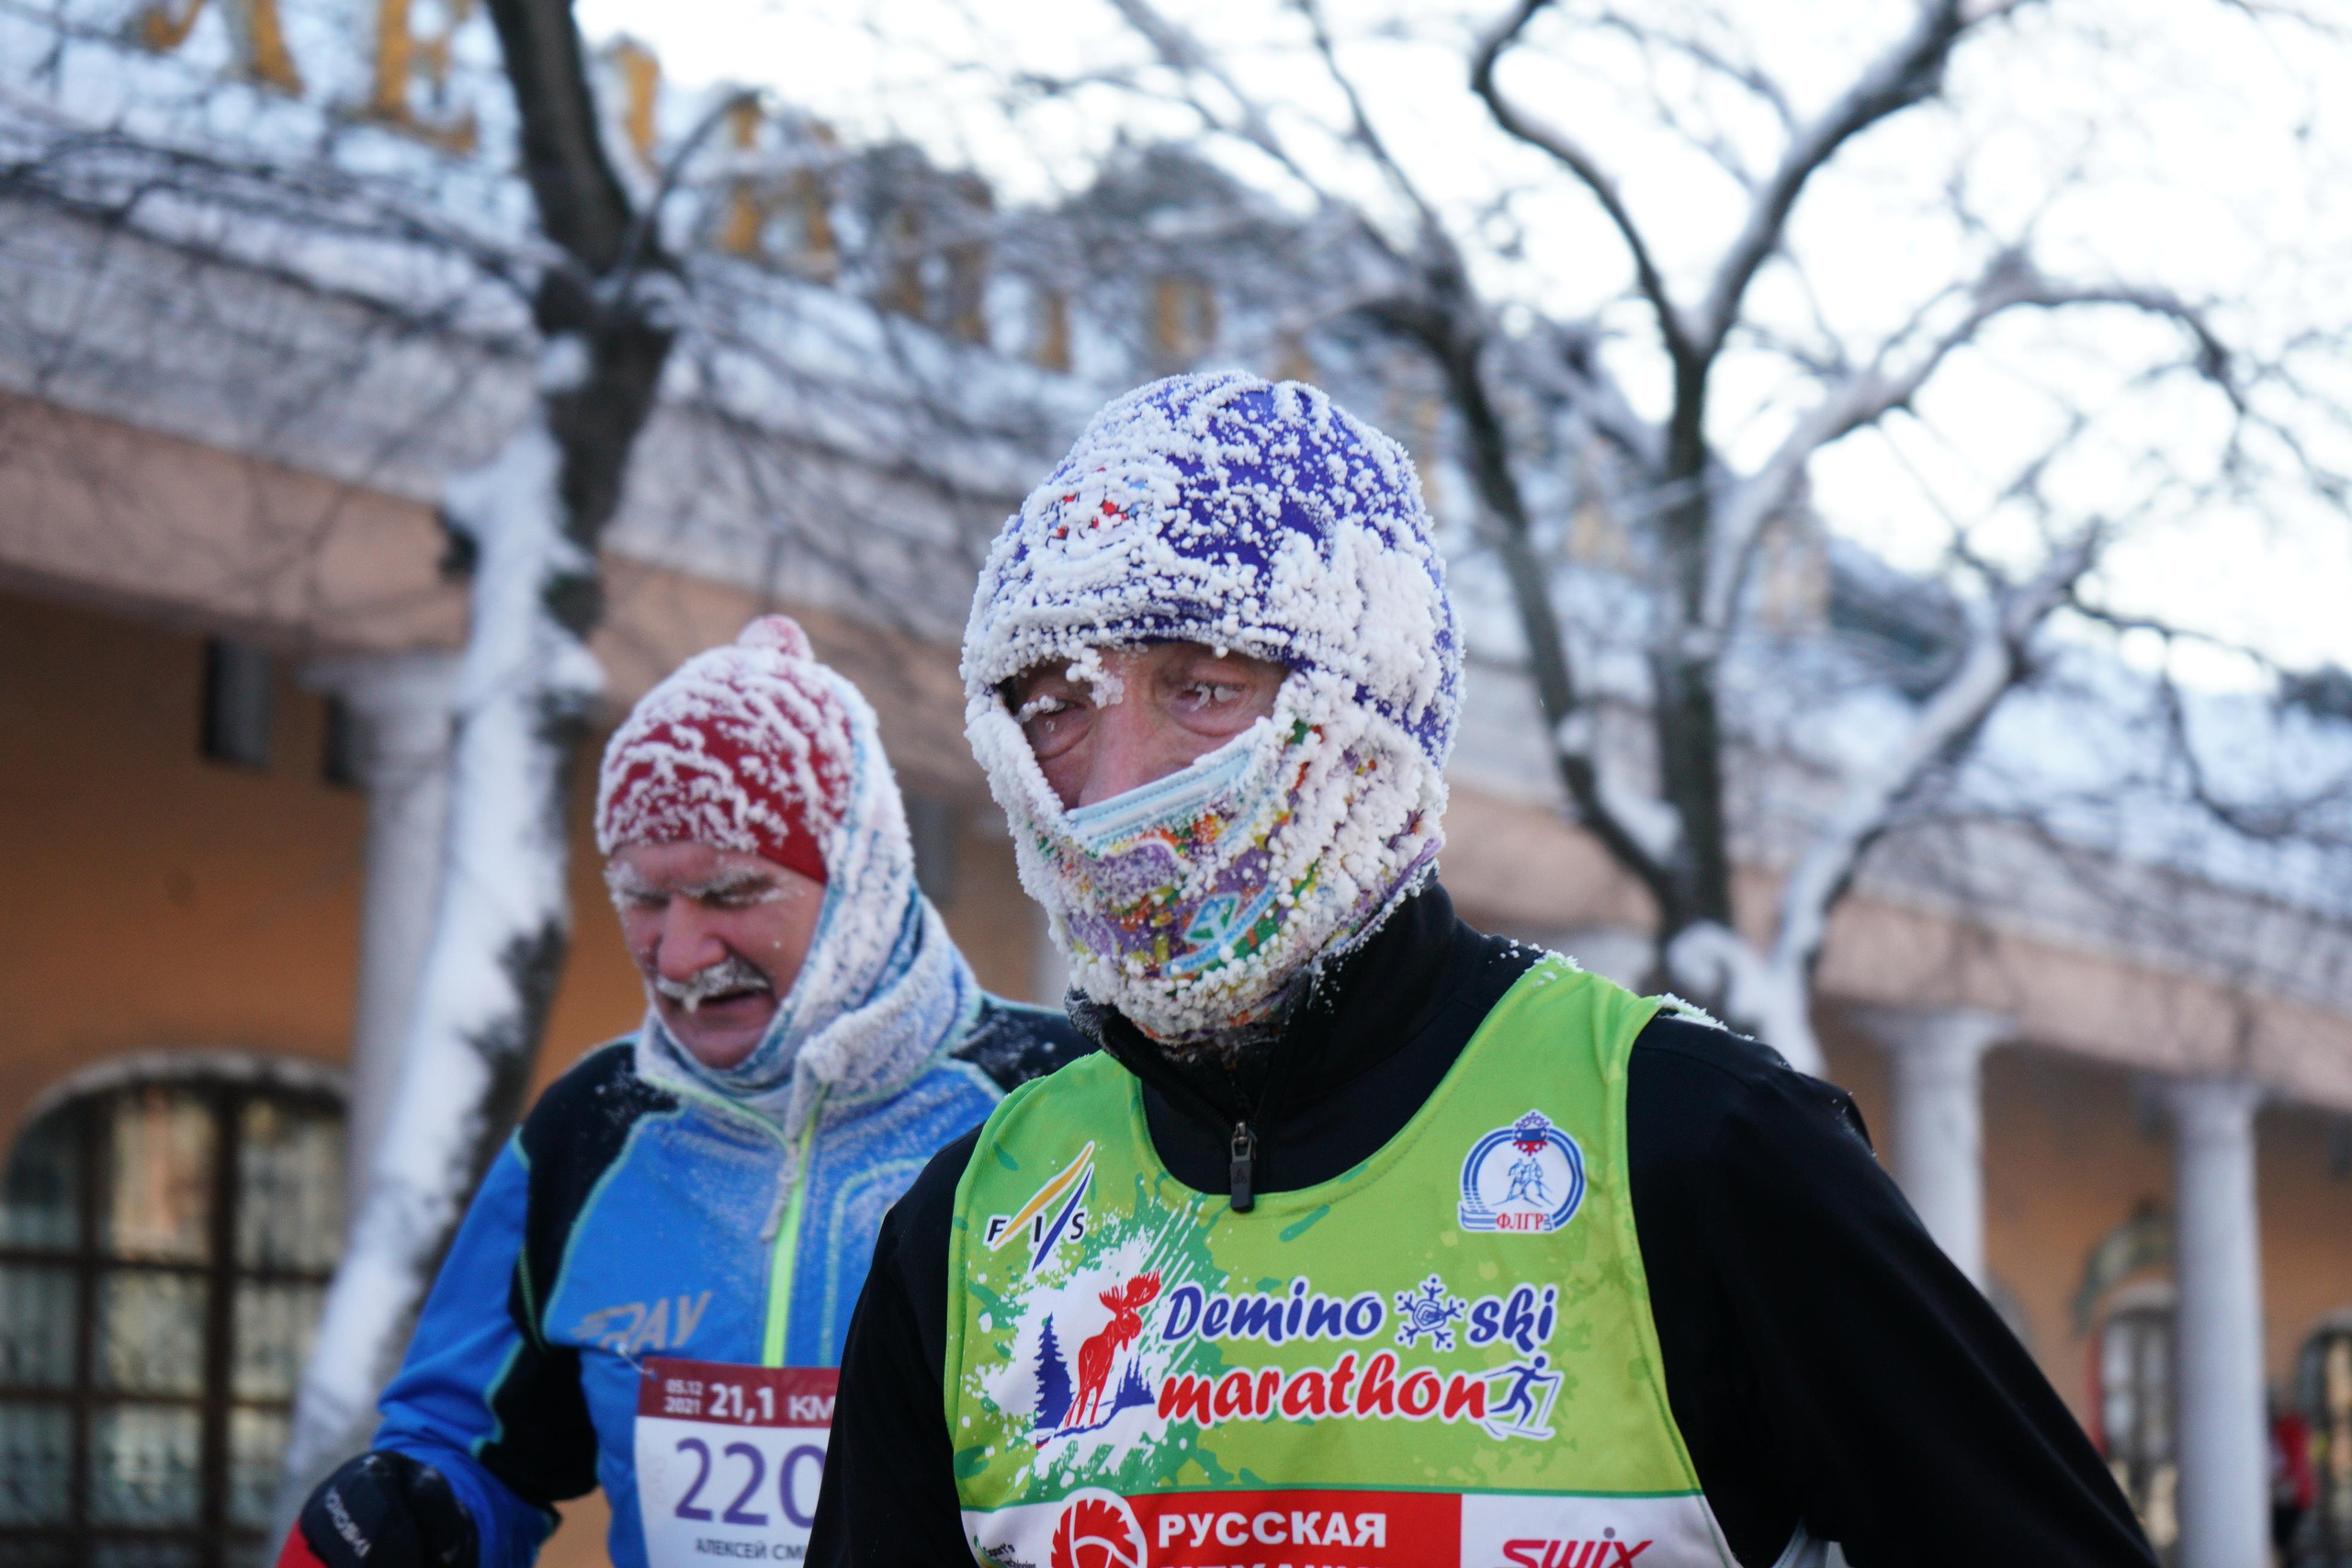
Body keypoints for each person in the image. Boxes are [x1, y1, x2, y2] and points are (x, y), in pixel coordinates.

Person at [808, 373, 2161, 1566]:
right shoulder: (975, 1224)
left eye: (1203, 688)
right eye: (1053, 710)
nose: (1115, 793)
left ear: (1373, 711)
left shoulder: (1686, 1143)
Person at [277, 616, 1084, 1568]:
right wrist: (420, 1511)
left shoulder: (1054, 1103)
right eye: (644, 898)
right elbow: (472, 1440)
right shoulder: (594, 1131)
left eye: (734, 893)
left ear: (858, 884)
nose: (683, 953)